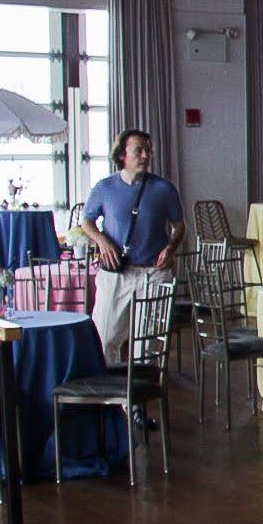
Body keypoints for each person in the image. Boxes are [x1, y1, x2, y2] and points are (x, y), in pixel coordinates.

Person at [81, 128, 184, 366]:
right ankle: (111, 388)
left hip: (154, 273)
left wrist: (170, 248)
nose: (146, 156)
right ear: (122, 155)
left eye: (148, 151)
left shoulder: (164, 189)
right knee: (105, 338)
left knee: (147, 346)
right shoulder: (104, 188)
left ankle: (139, 390)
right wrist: (102, 241)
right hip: (116, 274)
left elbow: (179, 226)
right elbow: (86, 221)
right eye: (139, 151)